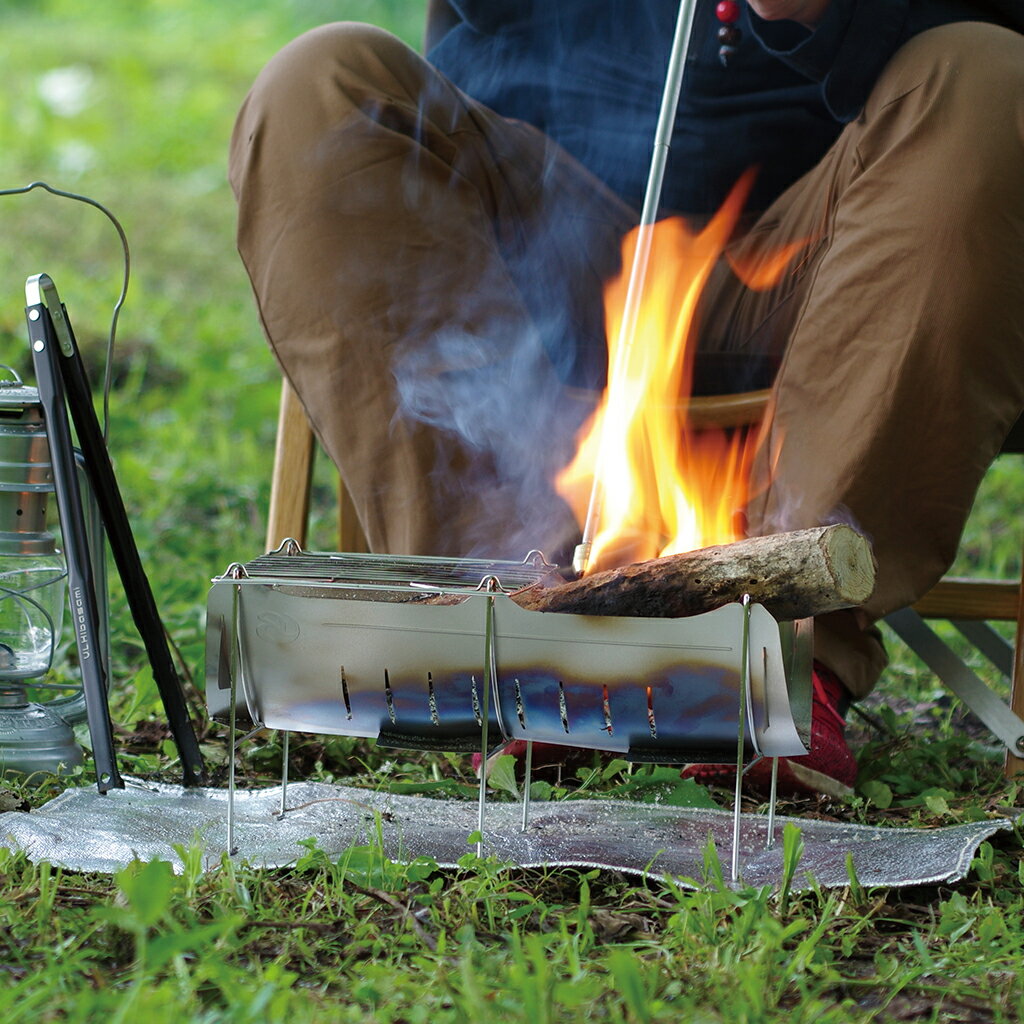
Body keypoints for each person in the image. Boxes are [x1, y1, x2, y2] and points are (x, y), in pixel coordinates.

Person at [228, 1, 1024, 796]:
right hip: (538, 240)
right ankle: (520, 637)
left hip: (852, 238)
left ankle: (784, 658)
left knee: (990, 75)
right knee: (317, 85)